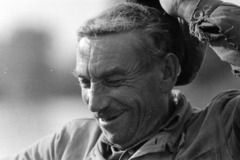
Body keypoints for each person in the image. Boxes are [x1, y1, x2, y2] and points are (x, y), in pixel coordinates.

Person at [3, 0, 240, 159]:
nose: (94, 105)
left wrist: (188, 5)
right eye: (85, 82)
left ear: (167, 72)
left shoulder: (224, 129)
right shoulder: (69, 143)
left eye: (114, 80)